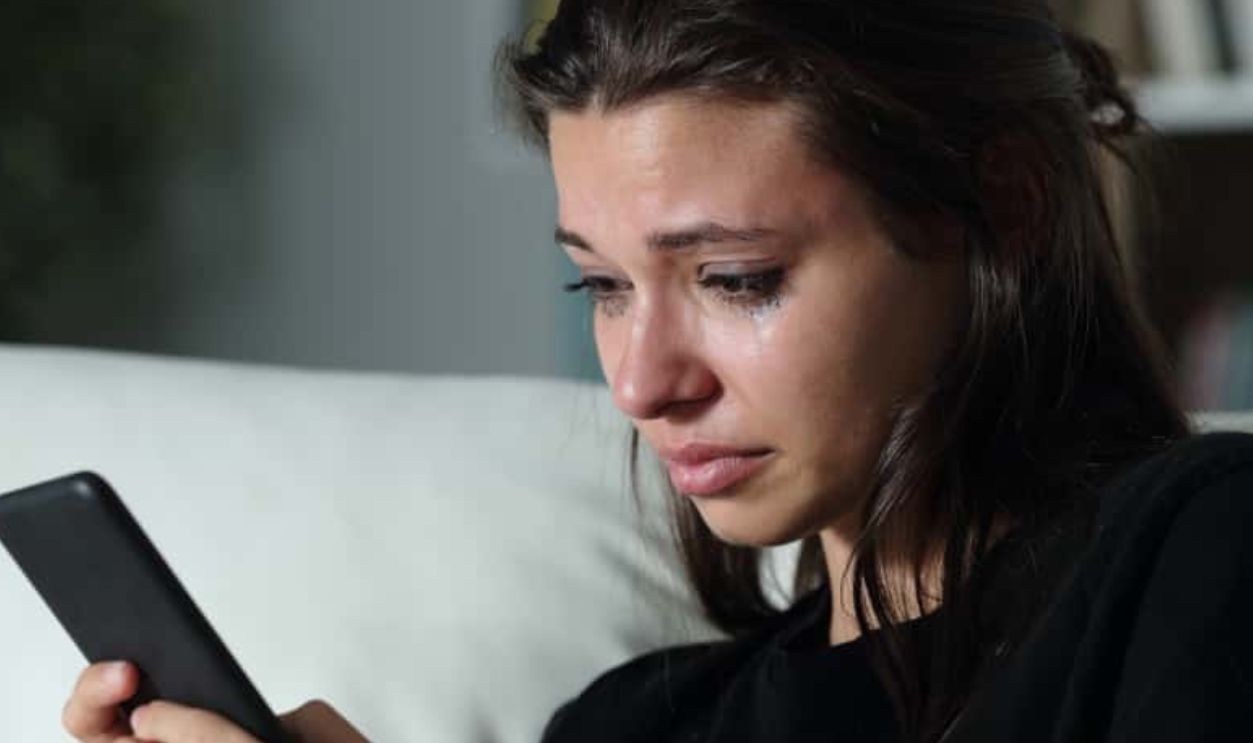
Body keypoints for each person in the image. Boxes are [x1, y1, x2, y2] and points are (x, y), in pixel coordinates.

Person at [61, 1, 1253, 742]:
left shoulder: (1197, 553)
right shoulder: (636, 720)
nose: (641, 385)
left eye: (734, 277)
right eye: (603, 285)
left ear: (1003, 205)